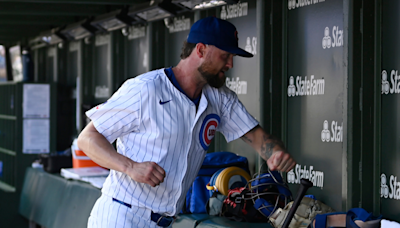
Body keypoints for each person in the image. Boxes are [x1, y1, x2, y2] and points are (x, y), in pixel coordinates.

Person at [77, 16, 296, 228]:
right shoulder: (146, 89)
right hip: (123, 215)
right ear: (201, 50)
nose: (230, 64)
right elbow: (88, 138)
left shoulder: (219, 98)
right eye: (225, 56)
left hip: (165, 220)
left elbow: (259, 139)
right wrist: (130, 166)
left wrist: (274, 153)